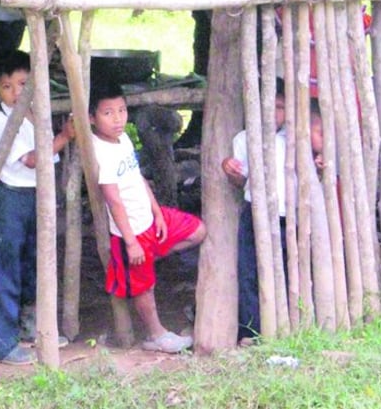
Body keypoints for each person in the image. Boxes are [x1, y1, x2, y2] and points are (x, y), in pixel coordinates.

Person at [90, 79, 206, 354]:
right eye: (108, 113)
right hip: (129, 229)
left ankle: (145, 256)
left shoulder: (123, 139)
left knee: (198, 230)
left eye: (122, 110)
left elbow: (137, 177)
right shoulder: (99, 152)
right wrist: (130, 242)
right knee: (145, 287)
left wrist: (156, 211)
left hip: (148, 219)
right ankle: (156, 335)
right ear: (92, 118)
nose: (118, 119)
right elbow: (114, 200)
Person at [0, 50, 73, 366]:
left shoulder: (36, 115)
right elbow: (33, 159)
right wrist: (65, 137)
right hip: (8, 199)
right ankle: (0, 344)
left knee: (34, 262)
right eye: (7, 87)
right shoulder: (0, 122)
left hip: (35, 197)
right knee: (1, 268)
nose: (17, 93)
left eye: (23, 84)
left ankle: (31, 325)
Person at [221, 88, 325, 343]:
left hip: (287, 217)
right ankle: (251, 330)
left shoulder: (299, 139)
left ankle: (289, 325)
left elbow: (317, 169)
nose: (273, 112)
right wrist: (231, 172)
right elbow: (241, 181)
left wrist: (321, 161)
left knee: (291, 271)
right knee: (249, 272)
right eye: (268, 106)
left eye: (280, 107)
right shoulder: (244, 139)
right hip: (253, 213)